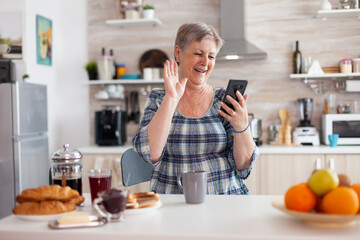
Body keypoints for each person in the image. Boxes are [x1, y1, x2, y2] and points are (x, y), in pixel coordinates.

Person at [133, 22, 259, 194]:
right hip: (174, 201)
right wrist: (171, 98)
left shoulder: (223, 99)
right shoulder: (159, 98)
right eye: (198, 53)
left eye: (212, 57)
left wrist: (242, 126)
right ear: (179, 53)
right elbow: (150, 154)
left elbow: (243, 167)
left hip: (225, 199)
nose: (205, 62)